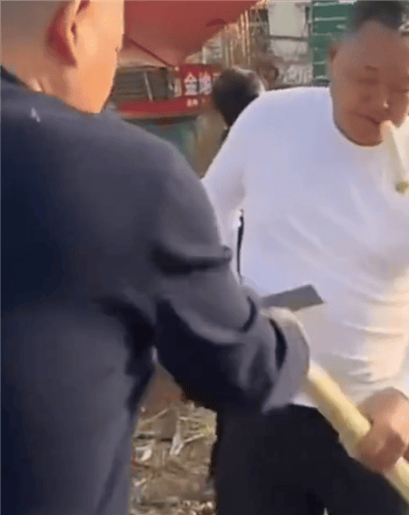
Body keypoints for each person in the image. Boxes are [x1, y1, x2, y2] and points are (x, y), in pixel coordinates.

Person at [1, 2, 310, 515]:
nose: (111, 73)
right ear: (73, 22)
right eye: (116, 46)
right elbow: (243, 369)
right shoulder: (121, 173)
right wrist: (288, 338)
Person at [202, 2, 409, 514]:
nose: (382, 102)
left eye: (404, 87)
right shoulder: (269, 121)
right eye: (365, 79)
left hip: (371, 415)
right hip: (265, 395)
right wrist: (227, 296)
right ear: (332, 57)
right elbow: (206, 211)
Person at [207, 67, 265, 482]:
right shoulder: (258, 149)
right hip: (253, 286)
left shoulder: (227, 150)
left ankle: (225, 465)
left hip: (231, 287)